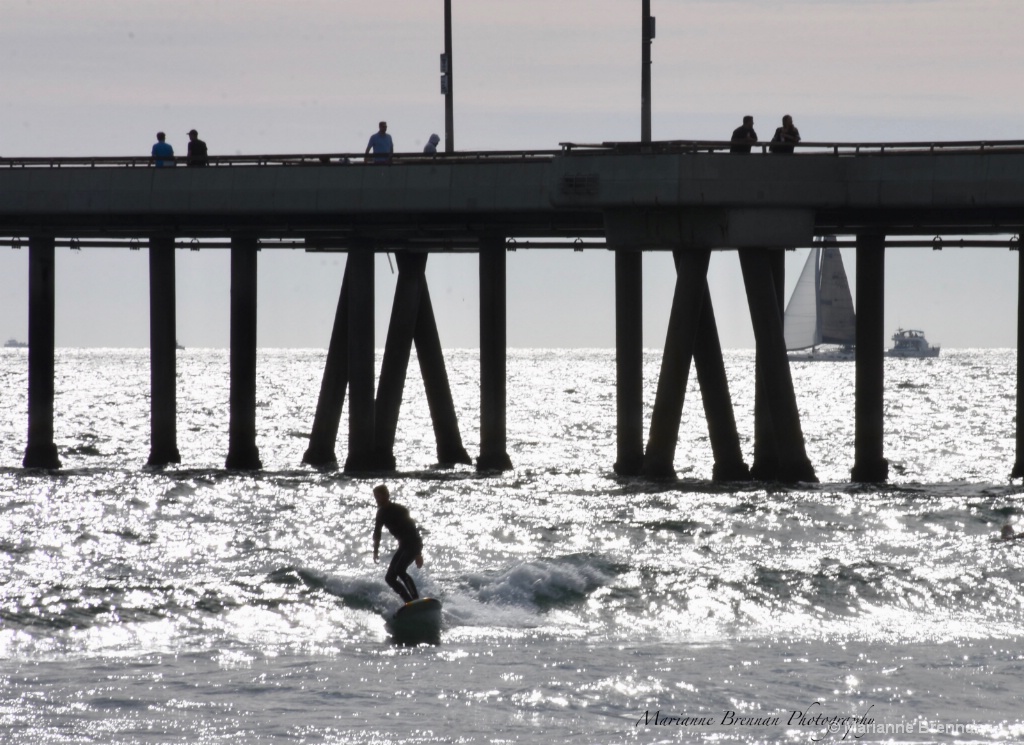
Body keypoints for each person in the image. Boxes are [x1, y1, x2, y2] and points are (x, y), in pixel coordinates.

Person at [372, 484, 424, 603]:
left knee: (400, 569)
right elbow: (377, 533)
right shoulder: (381, 513)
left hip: (413, 544)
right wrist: (375, 551)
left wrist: (418, 554)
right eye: (375, 497)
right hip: (403, 546)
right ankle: (408, 602)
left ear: (387, 495)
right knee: (389, 578)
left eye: (379, 497)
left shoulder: (400, 510)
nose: (377, 500)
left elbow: (413, 531)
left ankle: (415, 600)